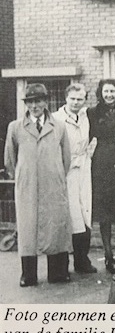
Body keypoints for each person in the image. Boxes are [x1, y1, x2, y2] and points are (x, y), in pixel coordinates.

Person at [4, 83, 71, 287]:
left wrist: (56, 174)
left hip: (53, 184)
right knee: (28, 228)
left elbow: (66, 157)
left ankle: (58, 272)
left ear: (46, 101)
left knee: (55, 226)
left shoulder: (59, 126)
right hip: (28, 185)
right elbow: (10, 159)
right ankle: (28, 274)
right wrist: (24, 175)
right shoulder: (15, 127)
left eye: (38, 101)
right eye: (30, 102)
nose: (34, 106)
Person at [53, 82, 97, 275]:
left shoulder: (87, 116)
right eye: (73, 99)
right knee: (68, 213)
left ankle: (82, 261)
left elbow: (92, 138)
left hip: (84, 167)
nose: (76, 103)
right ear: (66, 98)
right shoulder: (56, 119)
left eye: (80, 99)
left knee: (85, 211)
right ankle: (63, 264)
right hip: (65, 169)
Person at [87, 78, 115, 274]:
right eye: (106, 91)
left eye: (113, 91)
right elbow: (84, 137)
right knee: (105, 212)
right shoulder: (92, 113)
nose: (109, 95)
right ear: (100, 93)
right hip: (102, 163)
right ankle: (109, 255)